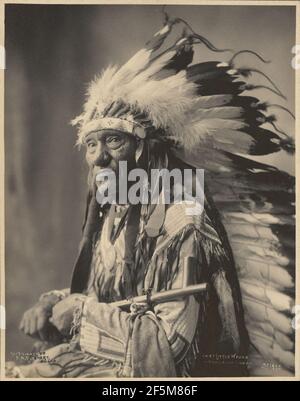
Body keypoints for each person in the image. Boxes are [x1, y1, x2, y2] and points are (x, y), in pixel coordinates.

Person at [8, 13, 295, 378]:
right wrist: (53, 307)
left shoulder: (181, 220)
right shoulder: (115, 217)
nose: (99, 158)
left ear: (150, 153)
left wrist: (80, 313)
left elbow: (171, 345)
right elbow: (115, 304)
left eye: (114, 140)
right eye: (91, 144)